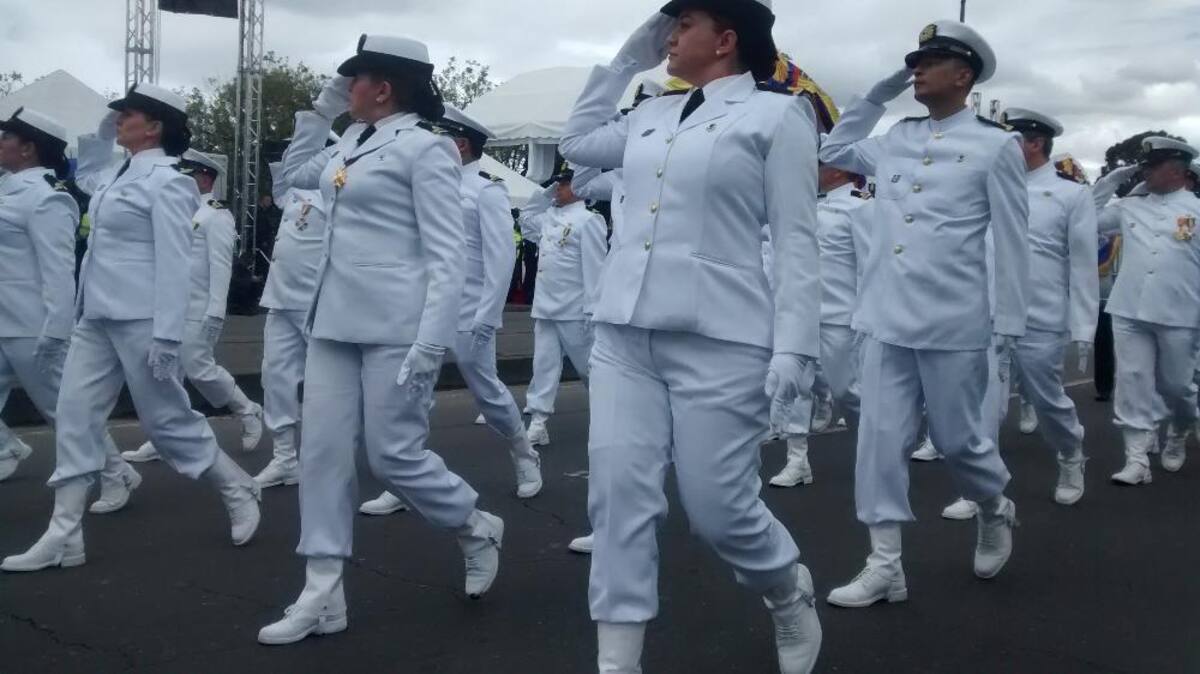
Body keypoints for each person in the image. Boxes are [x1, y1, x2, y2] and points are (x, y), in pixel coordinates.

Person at [560, 2, 823, 671]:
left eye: (683, 25)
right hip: (624, 332)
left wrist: (795, 347)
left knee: (718, 509)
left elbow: (796, 240)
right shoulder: (647, 114)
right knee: (617, 497)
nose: (669, 36)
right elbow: (576, 142)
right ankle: (617, 658)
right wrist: (625, 61)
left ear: (727, 39)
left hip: (722, 337)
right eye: (667, 25)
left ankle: (786, 589)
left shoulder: (777, 114)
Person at [256, 35, 504, 645]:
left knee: (393, 456)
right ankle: (322, 592)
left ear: (383, 86)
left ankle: (474, 524)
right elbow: (294, 177)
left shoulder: (427, 149)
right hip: (334, 320)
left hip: (396, 326)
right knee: (322, 454)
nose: (348, 90)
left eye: (354, 80)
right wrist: (316, 114)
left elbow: (447, 255)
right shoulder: (350, 140)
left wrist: (430, 342)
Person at [2, 84, 262, 573]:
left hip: (142, 318)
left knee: (167, 422)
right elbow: (93, 152)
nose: (119, 120)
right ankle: (64, 536)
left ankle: (235, 484)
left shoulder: (168, 181)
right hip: (96, 317)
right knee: (76, 419)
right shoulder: (117, 175)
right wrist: (112, 115)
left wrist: (167, 335)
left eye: (130, 114)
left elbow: (175, 263)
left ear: (155, 126)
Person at [819, 19, 1028, 607]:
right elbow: (831, 149)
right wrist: (881, 91)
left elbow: (1012, 239)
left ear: (963, 75)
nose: (917, 69)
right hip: (883, 316)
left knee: (961, 442)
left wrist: (1010, 323)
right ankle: (885, 564)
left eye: (929, 62)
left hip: (952, 320)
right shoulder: (894, 138)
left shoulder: (995, 146)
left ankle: (993, 505)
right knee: (879, 444)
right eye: (913, 61)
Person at [359, 104, 542, 515]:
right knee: (410, 391)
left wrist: (488, 315)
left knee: (486, 389)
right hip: (420, 304)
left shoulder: (485, 190)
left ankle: (523, 453)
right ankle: (405, 478)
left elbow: (500, 257)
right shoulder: (423, 181)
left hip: (467, 308)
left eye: (442, 138)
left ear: (460, 145)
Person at [940, 109, 1100, 519]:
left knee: (1048, 400)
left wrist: (1084, 326)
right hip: (986, 312)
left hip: (1039, 315)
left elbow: (1082, 265)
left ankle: (1070, 453)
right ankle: (982, 487)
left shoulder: (1071, 195)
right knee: (983, 404)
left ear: (1033, 143)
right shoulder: (985, 186)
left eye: (1012, 140)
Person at [0, 106, 139, 515]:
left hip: (31, 326)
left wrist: (56, 330)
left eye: (7, 137)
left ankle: (117, 473)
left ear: (28, 149)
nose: (0, 143)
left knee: (66, 412)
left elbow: (59, 272)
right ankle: (10, 446)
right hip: (3, 319)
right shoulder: (7, 188)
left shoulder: (47, 198)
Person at [121, 149, 264, 463]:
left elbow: (221, 266)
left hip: (198, 306)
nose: (182, 179)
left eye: (189, 174)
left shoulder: (216, 214)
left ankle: (248, 410)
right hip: (170, 305)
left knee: (198, 366)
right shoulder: (175, 209)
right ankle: (165, 436)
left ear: (205, 177)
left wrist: (215, 311)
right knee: (166, 372)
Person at [1099, 137, 1200, 482]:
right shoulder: (1130, 206)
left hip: (1180, 312)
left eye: (1152, 166)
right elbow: (1084, 218)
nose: (1145, 172)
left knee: (1178, 388)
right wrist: (1110, 182)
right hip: (1130, 308)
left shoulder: (1196, 209)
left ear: (1175, 170)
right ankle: (1136, 458)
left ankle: (1180, 429)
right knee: (1132, 380)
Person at [770, 161, 871, 488]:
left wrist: (865, 315)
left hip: (840, 316)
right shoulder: (809, 207)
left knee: (849, 391)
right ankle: (797, 462)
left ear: (840, 171)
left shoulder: (859, 210)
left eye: (821, 164)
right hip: (802, 314)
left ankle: (870, 455)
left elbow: (869, 267)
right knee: (797, 388)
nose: (813, 169)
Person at [251, 155, 330, 488]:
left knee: (329, 388)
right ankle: (285, 458)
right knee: (275, 378)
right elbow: (287, 174)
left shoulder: (339, 190)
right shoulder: (295, 193)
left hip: (320, 304)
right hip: (281, 300)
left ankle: (334, 456)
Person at [518, 165, 607, 447]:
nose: (558, 188)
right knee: (543, 366)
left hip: (575, 310)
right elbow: (526, 218)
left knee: (590, 370)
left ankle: (609, 419)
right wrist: (543, 193)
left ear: (581, 187)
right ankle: (539, 422)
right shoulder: (549, 217)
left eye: (565, 184)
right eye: (557, 183)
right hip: (545, 308)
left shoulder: (589, 221)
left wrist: (593, 311)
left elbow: (596, 268)